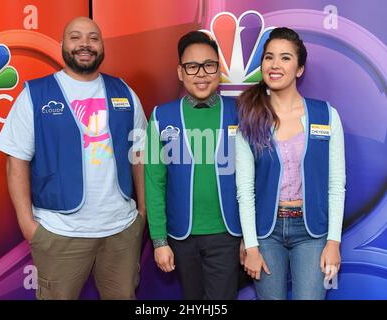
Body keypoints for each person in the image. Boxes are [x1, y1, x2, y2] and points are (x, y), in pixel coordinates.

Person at [0, 17, 147, 300]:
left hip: (121, 232)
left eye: (93, 38)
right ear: (63, 44)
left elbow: (140, 155)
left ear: (102, 46)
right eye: (75, 37)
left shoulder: (124, 92)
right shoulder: (35, 94)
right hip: (59, 233)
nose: (85, 45)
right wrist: (29, 225)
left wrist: (142, 215)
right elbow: (15, 162)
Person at [236, 27, 345, 300]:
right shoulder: (250, 117)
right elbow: (245, 190)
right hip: (266, 233)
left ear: (299, 69)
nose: (274, 65)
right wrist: (251, 246)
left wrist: (333, 241)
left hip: (312, 232)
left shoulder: (325, 115)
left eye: (285, 58)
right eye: (269, 57)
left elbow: (335, 184)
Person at [145, 31, 243, 300]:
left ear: (219, 70)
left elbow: (255, 179)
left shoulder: (241, 111)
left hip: (228, 232)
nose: (201, 73)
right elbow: (154, 183)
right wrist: (159, 241)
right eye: (192, 66)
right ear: (180, 72)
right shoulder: (161, 115)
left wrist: (251, 237)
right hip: (181, 235)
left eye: (209, 65)